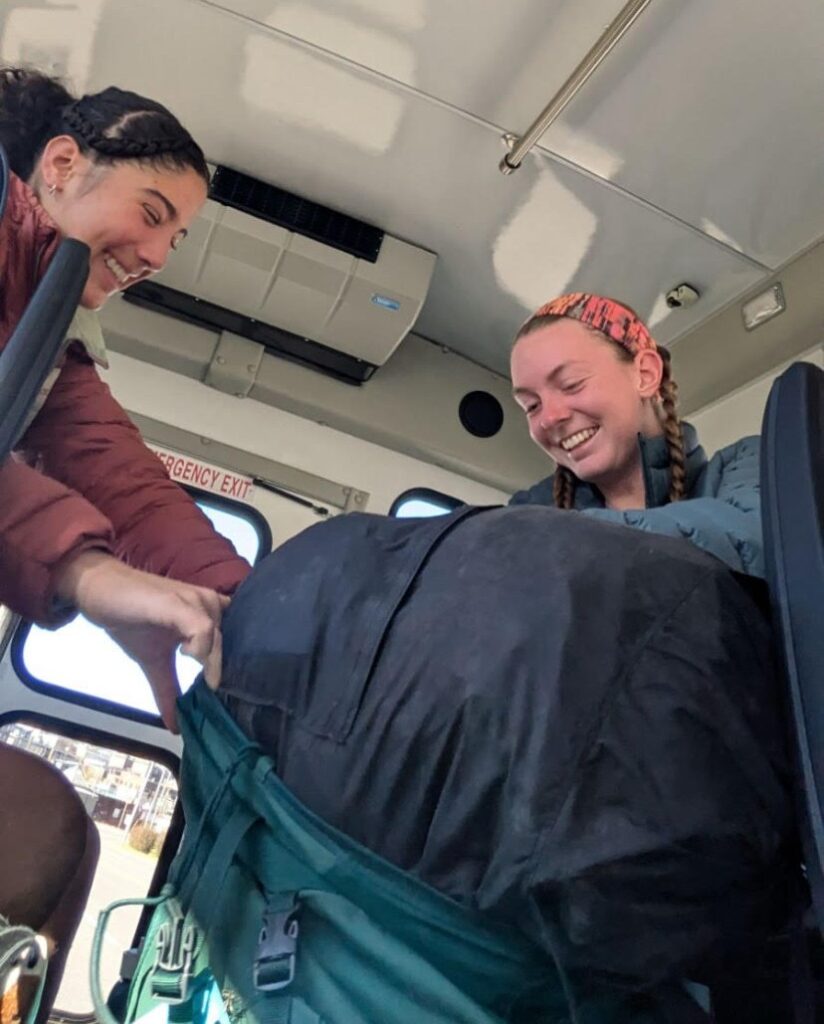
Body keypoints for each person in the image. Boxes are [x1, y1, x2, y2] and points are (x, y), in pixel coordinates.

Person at [0, 68, 252, 728]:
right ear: (61, 164)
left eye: (174, 239)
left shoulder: (46, 337)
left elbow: (126, 488)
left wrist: (257, 615)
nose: (159, 258)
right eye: (151, 215)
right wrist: (89, 574)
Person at [509, 292, 763, 577]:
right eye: (532, 406)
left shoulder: (746, 465)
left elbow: (753, 544)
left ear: (645, 374)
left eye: (571, 384)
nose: (549, 418)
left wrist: (551, 537)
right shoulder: (525, 514)